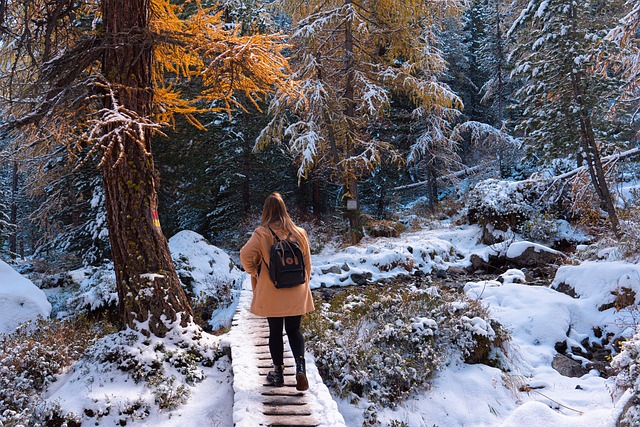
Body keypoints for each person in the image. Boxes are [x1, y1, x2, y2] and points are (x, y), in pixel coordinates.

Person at [239, 192, 315, 391]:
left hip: (273, 290)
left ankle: (278, 374)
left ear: (266, 211)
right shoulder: (299, 233)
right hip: (296, 290)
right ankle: (300, 368)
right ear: (284, 209)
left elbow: (245, 255)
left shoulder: (261, 233)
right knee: (294, 330)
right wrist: (301, 283)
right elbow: (308, 265)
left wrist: (255, 271)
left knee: (275, 331)